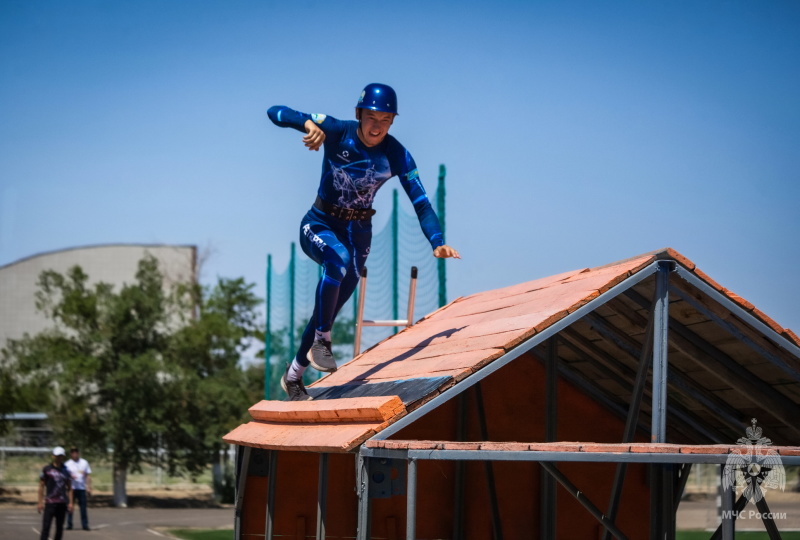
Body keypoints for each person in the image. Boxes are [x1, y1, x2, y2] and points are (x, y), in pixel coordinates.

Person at [268, 83, 460, 401]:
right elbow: (275, 112)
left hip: (359, 232)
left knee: (332, 301)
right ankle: (323, 340)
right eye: (372, 117)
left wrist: (436, 241)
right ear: (359, 114)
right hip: (320, 222)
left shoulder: (397, 154)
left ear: (393, 122)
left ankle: (294, 375)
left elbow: (422, 202)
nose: (377, 127)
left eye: (385, 120)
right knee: (337, 260)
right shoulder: (336, 130)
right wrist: (306, 124)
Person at [37, 446, 73, 540]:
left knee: (59, 528)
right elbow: (41, 486)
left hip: (62, 503)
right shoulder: (47, 469)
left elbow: (69, 488)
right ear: (53, 456)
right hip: (50, 503)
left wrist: (71, 503)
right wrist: (40, 502)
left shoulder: (66, 471)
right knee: (46, 527)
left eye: (61, 456)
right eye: (57, 456)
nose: (59, 458)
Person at [65, 446, 92, 530]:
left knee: (83, 508)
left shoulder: (84, 462)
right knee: (70, 506)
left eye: (76, 452)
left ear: (78, 453)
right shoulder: (67, 464)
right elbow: (64, 476)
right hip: (71, 489)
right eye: (73, 452)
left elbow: (88, 476)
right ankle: (69, 524)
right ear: (70, 454)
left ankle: (85, 525)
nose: (75, 454)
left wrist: (89, 487)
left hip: (81, 488)